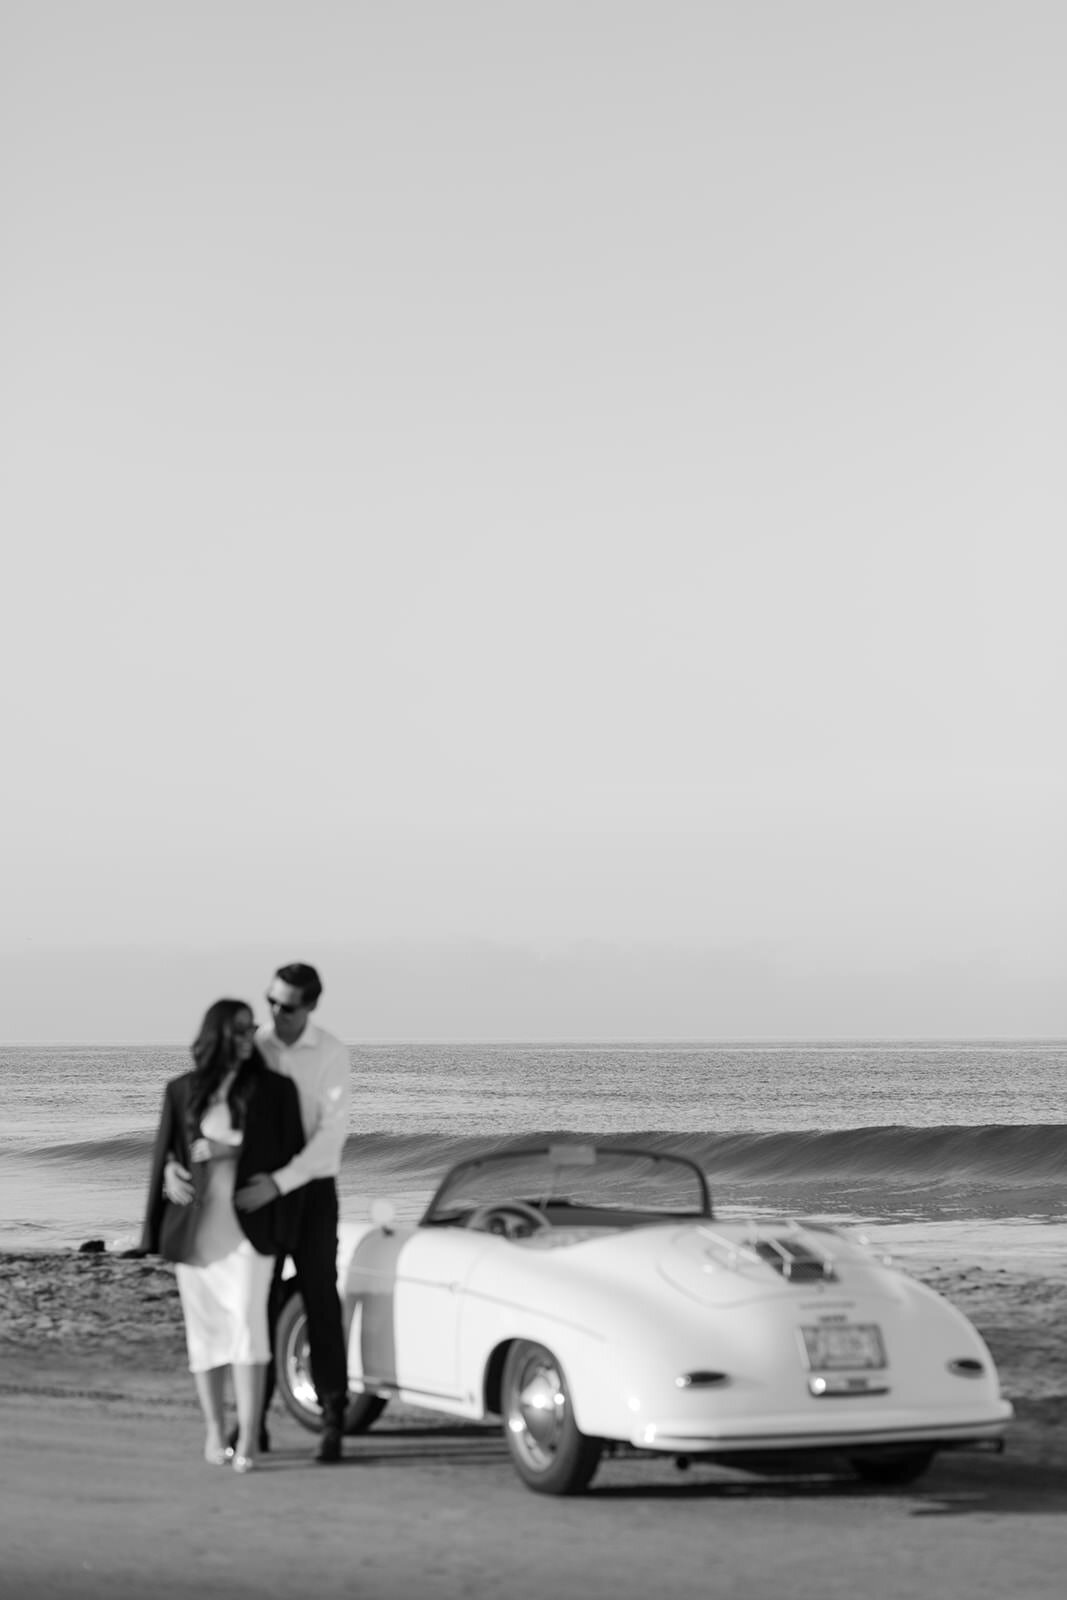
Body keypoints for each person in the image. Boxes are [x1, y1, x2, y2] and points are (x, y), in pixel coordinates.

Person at [164, 962, 351, 1463]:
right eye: (270, 1001)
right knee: (258, 1306)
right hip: (251, 1196)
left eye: (286, 1005)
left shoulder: (330, 1053)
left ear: (310, 1006)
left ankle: (334, 1419)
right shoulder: (256, 1042)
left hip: (308, 1190)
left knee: (319, 1298)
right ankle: (255, 1426)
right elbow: (202, 1112)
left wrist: (279, 1182)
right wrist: (175, 1165)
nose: (274, 1013)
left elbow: (329, 1139)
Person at [141, 999, 304, 1473]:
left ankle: (250, 1437)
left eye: (250, 1029)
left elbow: (289, 1154)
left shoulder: (275, 1090)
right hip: (197, 1233)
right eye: (236, 1030)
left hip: (251, 1234)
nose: (245, 1037)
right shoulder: (182, 1090)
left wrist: (229, 1152)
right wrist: (172, 1171)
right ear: (215, 1034)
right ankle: (214, 1432)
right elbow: (167, 1154)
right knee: (206, 1334)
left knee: (250, 1331)